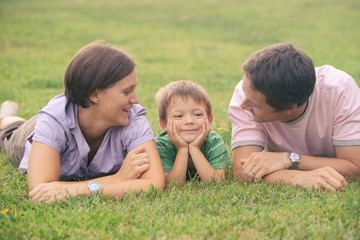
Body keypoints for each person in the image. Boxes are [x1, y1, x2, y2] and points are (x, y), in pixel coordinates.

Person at [0, 41, 165, 203]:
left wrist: (77, 190)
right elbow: (42, 190)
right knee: (9, 131)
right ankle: (6, 117)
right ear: (95, 95)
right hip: (28, 134)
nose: (135, 99)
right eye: (127, 91)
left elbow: (154, 183)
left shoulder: (132, 115)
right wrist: (118, 178)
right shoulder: (53, 120)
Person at [228, 42, 360, 190]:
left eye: (255, 105)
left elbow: (355, 167)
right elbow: (242, 172)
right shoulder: (247, 92)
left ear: (289, 108)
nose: (243, 105)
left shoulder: (339, 91)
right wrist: (297, 177)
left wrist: (289, 159)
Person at [155, 80, 231, 183]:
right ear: (164, 123)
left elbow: (217, 182)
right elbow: (172, 185)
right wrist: (182, 149)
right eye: (179, 116)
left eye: (197, 114)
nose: (189, 121)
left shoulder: (214, 142)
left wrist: (194, 148)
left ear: (209, 119)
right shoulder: (161, 144)